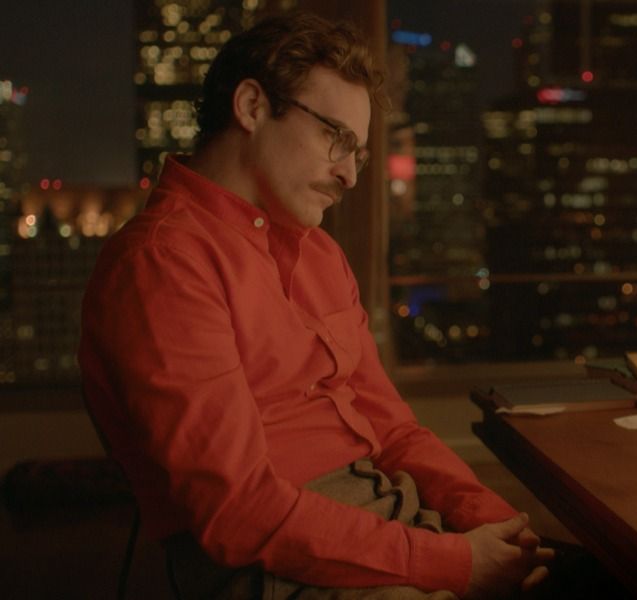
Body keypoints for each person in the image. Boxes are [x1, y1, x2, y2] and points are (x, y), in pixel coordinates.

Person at [78, 12, 553, 599]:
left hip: (384, 517)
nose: (351, 175)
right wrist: (454, 562)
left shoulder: (320, 255)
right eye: (337, 138)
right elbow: (238, 513)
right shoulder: (163, 262)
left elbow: (395, 430)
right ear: (252, 106)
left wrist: (496, 526)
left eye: (359, 152)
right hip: (274, 567)